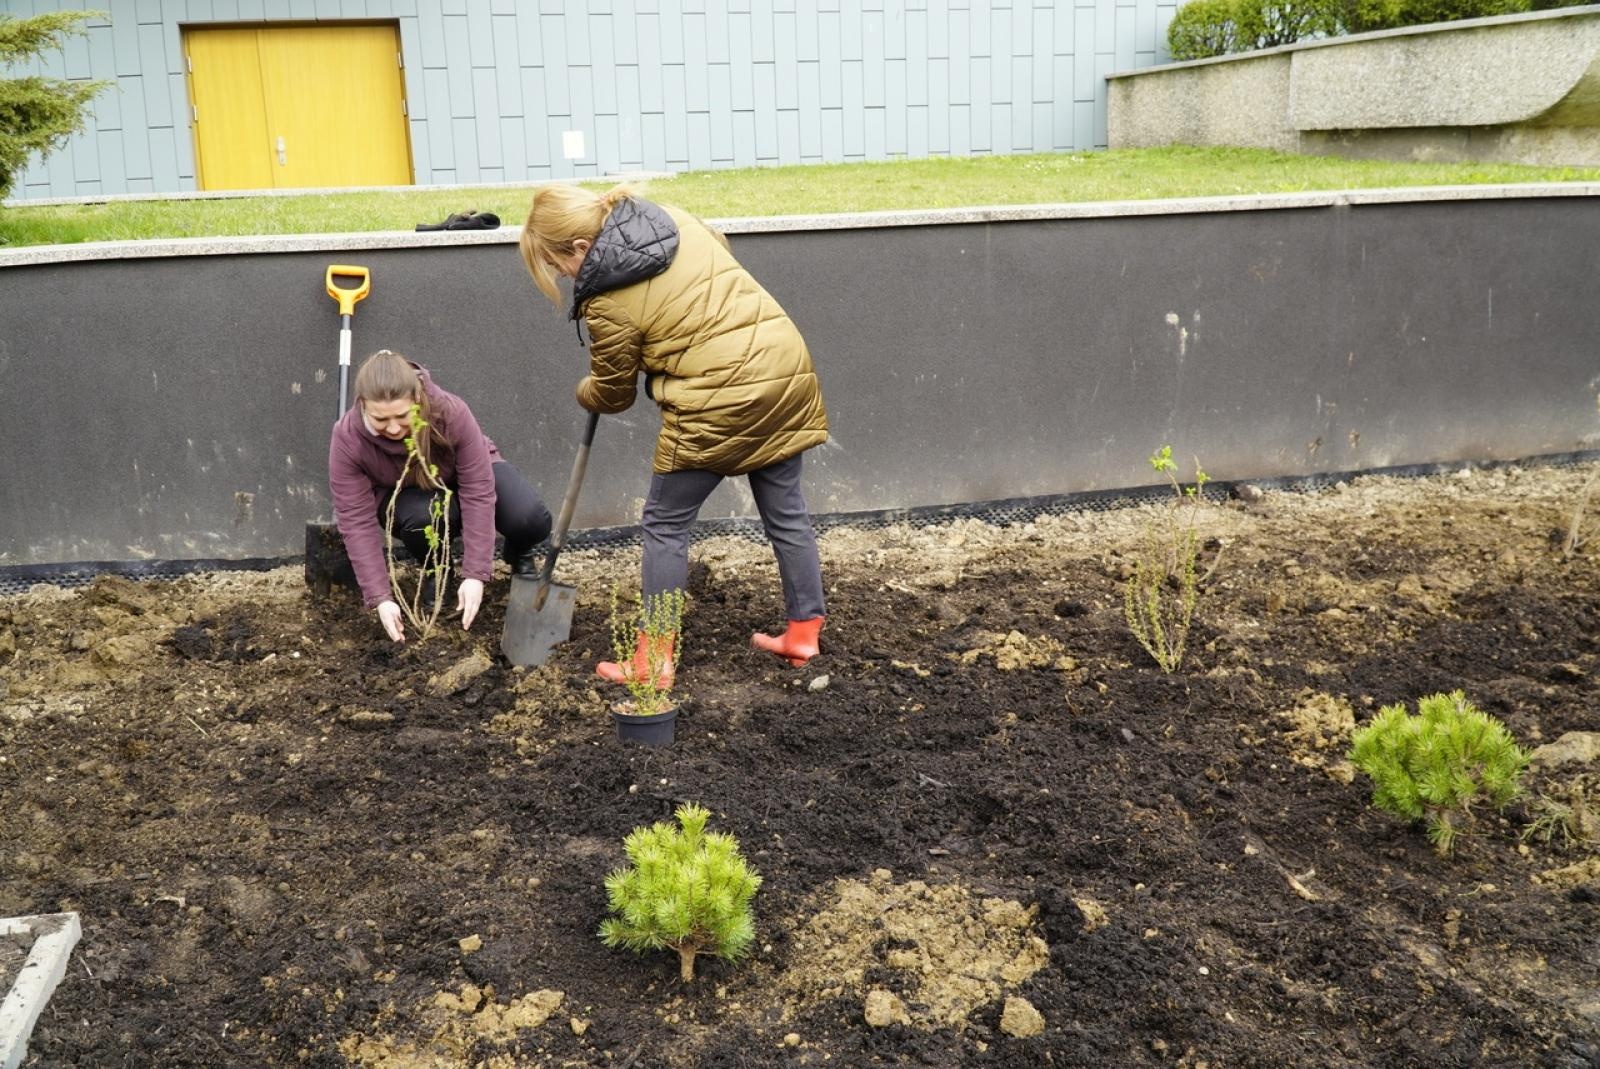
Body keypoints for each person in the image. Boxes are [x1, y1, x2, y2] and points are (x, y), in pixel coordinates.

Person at [518, 185, 829, 686]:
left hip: (717, 397)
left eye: (557, 264)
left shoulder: (606, 301)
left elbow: (614, 394)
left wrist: (586, 390)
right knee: (787, 512)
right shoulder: (671, 219)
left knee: (665, 522)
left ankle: (654, 659)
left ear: (580, 246)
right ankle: (803, 633)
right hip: (783, 368)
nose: (561, 276)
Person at [329, 349, 552, 643]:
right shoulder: (348, 438)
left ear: (417, 399)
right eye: (381, 420)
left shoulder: (450, 412)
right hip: (408, 499)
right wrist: (380, 598)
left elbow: (478, 491)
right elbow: (355, 520)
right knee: (425, 520)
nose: (394, 428)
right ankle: (439, 569)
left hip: (464, 479)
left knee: (529, 518)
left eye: (401, 416)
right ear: (363, 406)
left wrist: (475, 574)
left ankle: (519, 552)